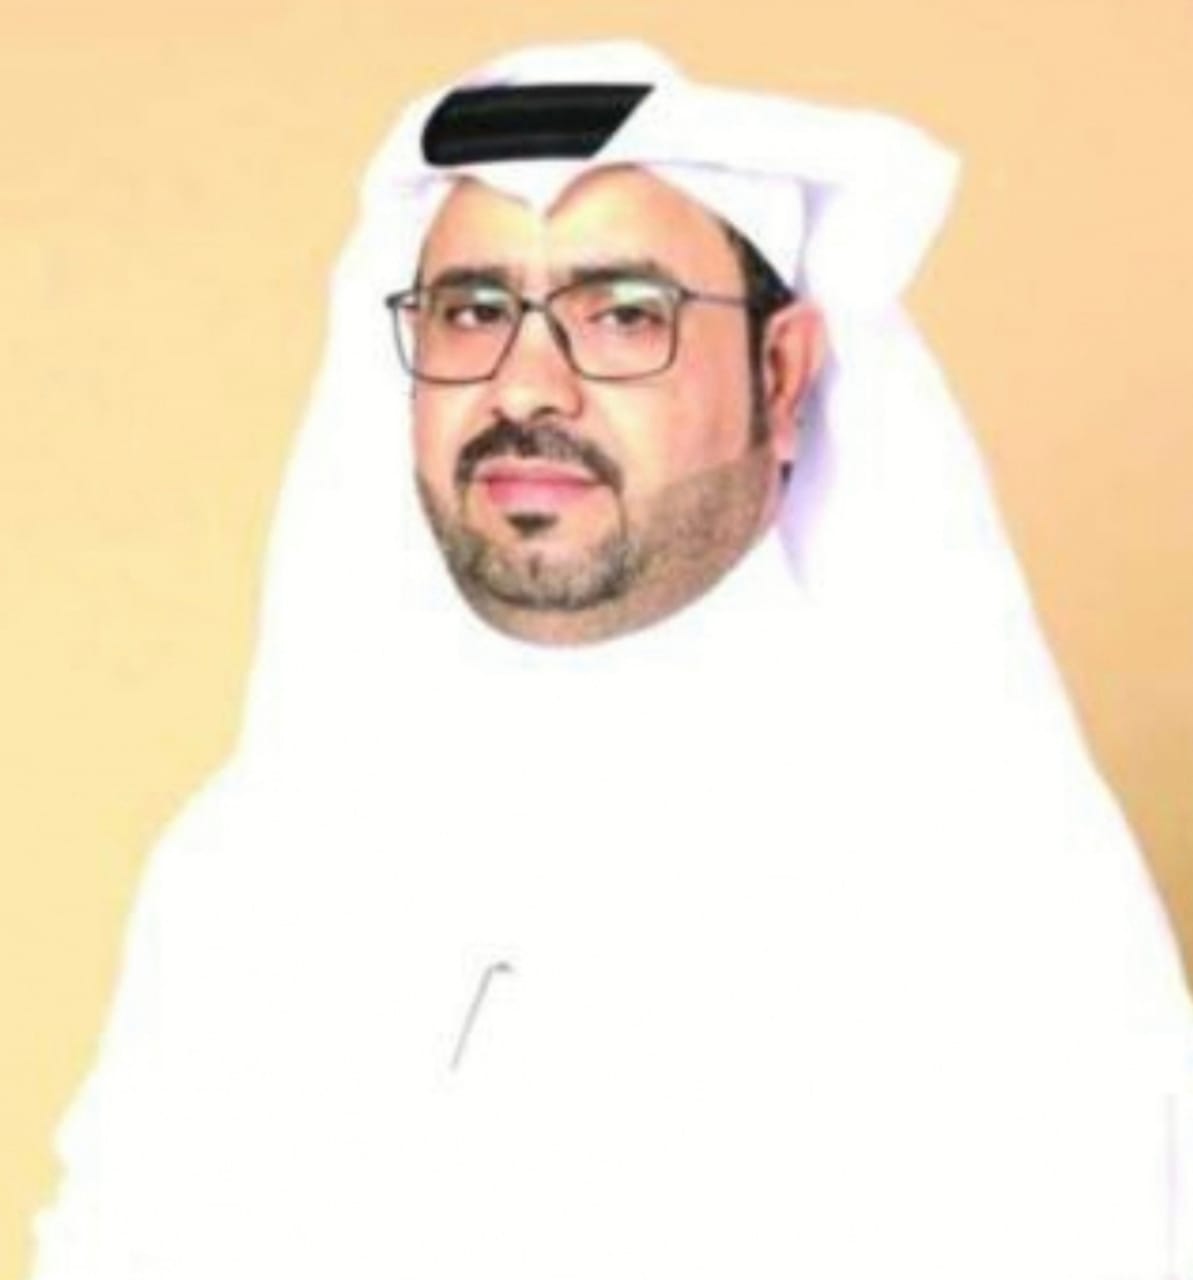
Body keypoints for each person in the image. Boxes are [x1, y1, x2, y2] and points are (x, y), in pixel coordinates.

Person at [29, 40, 1193, 1280]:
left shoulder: (972, 880)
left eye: (623, 313)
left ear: (781, 374)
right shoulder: (252, 856)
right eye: (473, 312)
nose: (525, 387)